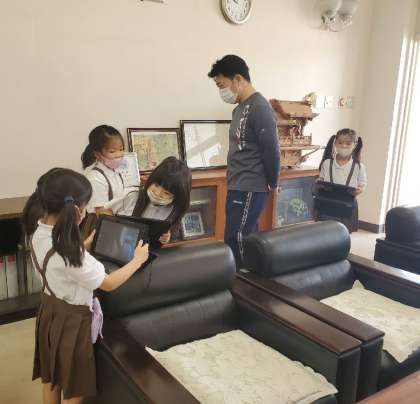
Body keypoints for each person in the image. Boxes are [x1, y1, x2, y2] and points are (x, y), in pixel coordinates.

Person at [22, 168, 149, 404]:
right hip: (72, 322)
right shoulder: (71, 254)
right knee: (75, 385)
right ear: (77, 211)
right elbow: (109, 283)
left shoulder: (38, 231)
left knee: (52, 376)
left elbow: (60, 265)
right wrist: (137, 260)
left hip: (49, 311)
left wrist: (82, 245)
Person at [208, 54, 280, 267]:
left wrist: (273, 182)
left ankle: (240, 278)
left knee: (237, 237)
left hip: (250, 184)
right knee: (244, 234)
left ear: (238, 79)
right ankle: (251, 273)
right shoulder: (239, 109)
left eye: (222, 85)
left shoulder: (260, 107)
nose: (221, 91)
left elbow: (272, 149)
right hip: (237, 182)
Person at [81, 125, 139, 237]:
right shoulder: (95, 178)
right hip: (102, 225)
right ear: (98, 154)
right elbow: (101, 212)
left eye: (121, 149)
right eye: (112, 151)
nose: (119, 155)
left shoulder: (115, 170)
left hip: (116, 220)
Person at [132, 156, 192, 244]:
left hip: (150, 247)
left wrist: (168, 236)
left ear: (177, 197)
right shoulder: (135, 196)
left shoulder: (177, 209)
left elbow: (175, 227)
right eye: (156, 185)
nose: (157, 193)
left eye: (166, 193)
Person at [316, 128, 366, 231]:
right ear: (335, 143)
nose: (343, 146)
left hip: (347, 205)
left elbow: (362, 185)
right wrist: (318, 182)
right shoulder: (327, 163)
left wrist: (359, 190)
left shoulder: (358, 166)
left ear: (355, 145)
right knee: (324, 231)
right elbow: (321, 179)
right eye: (340, 143)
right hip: (327, 203)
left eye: (348, 143)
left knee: (343, 234)